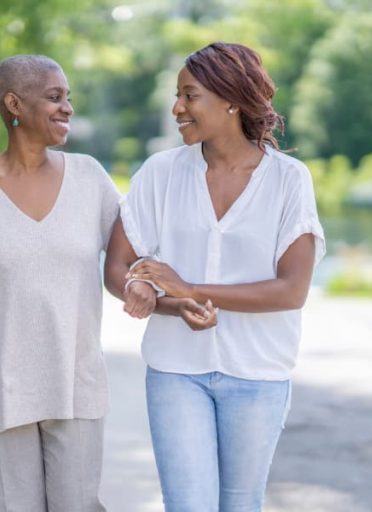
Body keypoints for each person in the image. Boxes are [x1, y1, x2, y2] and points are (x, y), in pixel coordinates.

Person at [104, 42, 325, 512]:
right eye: (177, 95)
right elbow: (118, 268)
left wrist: (191, 289)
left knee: (240, 506)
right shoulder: (160, 173)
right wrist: (157, 296)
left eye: (189, 95)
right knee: (187, 505)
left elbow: (292, 290)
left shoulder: (289, 179)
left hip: (259, 373)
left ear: (231, 99)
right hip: (176, 371)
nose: (176, 107)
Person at [0, 55, 119, 512]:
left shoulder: (90, 178)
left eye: (68, 97)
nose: (68, 107)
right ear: (14, 103)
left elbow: (136, 248)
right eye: (55, 97)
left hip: (75, 379)